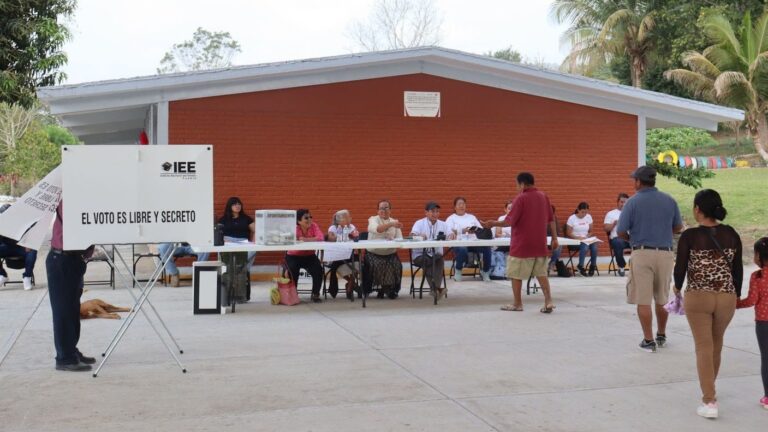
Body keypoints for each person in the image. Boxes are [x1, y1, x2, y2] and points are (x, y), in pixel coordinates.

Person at [674, 189, 742, 419]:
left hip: (698, 296)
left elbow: (680, 268)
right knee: (716, 343)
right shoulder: (731, 233)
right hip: (726, 296)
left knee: (703, 347)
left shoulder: (690, 236)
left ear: (697, 210)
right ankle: (710, 389)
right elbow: (738, 269)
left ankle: (709, 401)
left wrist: (676, 287)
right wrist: (736, 294)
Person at [617, 165, 684, 353]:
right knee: (661, 298)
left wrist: (632, 239)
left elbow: (621, 230)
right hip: (665, 253)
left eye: (634, 180)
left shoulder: (632, 202)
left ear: (638, 181)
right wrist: (662, 234)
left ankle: (648, 340)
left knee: (643, 299)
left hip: (641, 252)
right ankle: (661, 335)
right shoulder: (669, 200)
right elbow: (678, 227)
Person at [482, 172, 558, 313]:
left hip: (522, 244)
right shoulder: (543, 196)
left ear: (522, 184)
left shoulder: (520, 198)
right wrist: (554, 238)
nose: (516, 187)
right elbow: (551, 219)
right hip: (540, 243)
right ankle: (548, 301)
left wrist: (492, 223)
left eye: (517, 184)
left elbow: (508, 221)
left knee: (515, 274)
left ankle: (517, 303)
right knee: (541, 273)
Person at [46, 200, 96, 371]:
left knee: (73, 310)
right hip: (62, 259)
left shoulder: (79, 193)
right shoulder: (70, 196)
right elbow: (79, 223)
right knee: (63, 311)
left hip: (72, 259)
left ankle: (71, 351)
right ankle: (65, 358)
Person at [736, 237, 768, 410]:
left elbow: (752, 300)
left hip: (764, 324)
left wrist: (735, 304)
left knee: (767, 359)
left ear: (758, 256)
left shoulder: (757, 276)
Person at [410, 201, 455, 299]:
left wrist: (452, 235)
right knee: (429, 261)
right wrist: (419, 236)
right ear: (426, 213)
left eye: (437, 211)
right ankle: (437, 289)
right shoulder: (419, 223)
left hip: (435, 255)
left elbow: (450, 234)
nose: (435, 214)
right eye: (432, 211)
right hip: (420, 255)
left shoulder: (443, 224)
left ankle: (435, 290)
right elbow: (411, 236)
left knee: (439, 259)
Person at [446, 197, 491, 282]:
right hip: (459, 243)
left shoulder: (472, 217)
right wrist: (463, 230)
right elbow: (448, 231)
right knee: (462, 249)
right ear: (455, 207)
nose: (461, 206)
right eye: (459, 204)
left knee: (487, 248)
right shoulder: (451, 218)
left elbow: (480, 229)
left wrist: (475, 230)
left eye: (463, 204)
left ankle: (485, 272)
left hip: (473, 242)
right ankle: (458, 270)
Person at [365, 199, 403, 299]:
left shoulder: (394, 221)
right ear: (377, 210)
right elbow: (378, 229)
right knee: (378, 264)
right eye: (381, 208)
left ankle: (389, 288)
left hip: (390, 253)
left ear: (390, 210)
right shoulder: (373, 219)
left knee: (396, 264)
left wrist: (393, 239)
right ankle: (385, 288)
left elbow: (400, 239)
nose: (384, 210)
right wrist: (391, 224)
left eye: (386, 208)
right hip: (374, 253)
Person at [286, 209, 324, 303]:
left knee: (318, 269)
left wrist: (306, 239)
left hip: (309, 255)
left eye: (310, 217)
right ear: (299, 221)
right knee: (293, 269)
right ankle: (294, 294)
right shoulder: (294, 228)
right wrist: (311, 239)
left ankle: (315, 294)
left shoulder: (314, 226)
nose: (309, 219)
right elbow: (288, 239)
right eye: (306, 218)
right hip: (294, 255)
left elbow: (321, 237)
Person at [326, 209, 359, 300]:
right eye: (348, 217)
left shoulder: (352, 226)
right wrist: (341, 236)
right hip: (337, 255)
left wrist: (353, 236)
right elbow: (331, 239)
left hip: (350, 253)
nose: (351, 218)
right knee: (335, 267)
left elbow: (356, 236)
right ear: (341, 220)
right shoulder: (333, 228)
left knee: (358, 264)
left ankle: (350, 285)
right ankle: (352, 284)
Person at [566, 202, 598, 276]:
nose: (584, 214)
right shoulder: (572, 218)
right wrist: (578, 238)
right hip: (575, 241)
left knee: (594, 247)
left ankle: (592, 266)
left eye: (586, 212)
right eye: (582, 212)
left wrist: (587, 236)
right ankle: (580, 266)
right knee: (585, 246)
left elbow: (591, 231)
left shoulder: (588, 217)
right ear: (578, 210)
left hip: (586, 239)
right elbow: (568, 233)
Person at [604, 193, 631, 276]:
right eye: (621, 202)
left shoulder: (632, 213)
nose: (623, 204)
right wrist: (614, 224)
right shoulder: (611, 214)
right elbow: (606, 229)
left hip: (631, 238)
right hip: (618, 238)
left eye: (625, 202)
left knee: (642, 242)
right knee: (618, 242)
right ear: (617, 202)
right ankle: (621, 266)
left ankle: (638, 266)